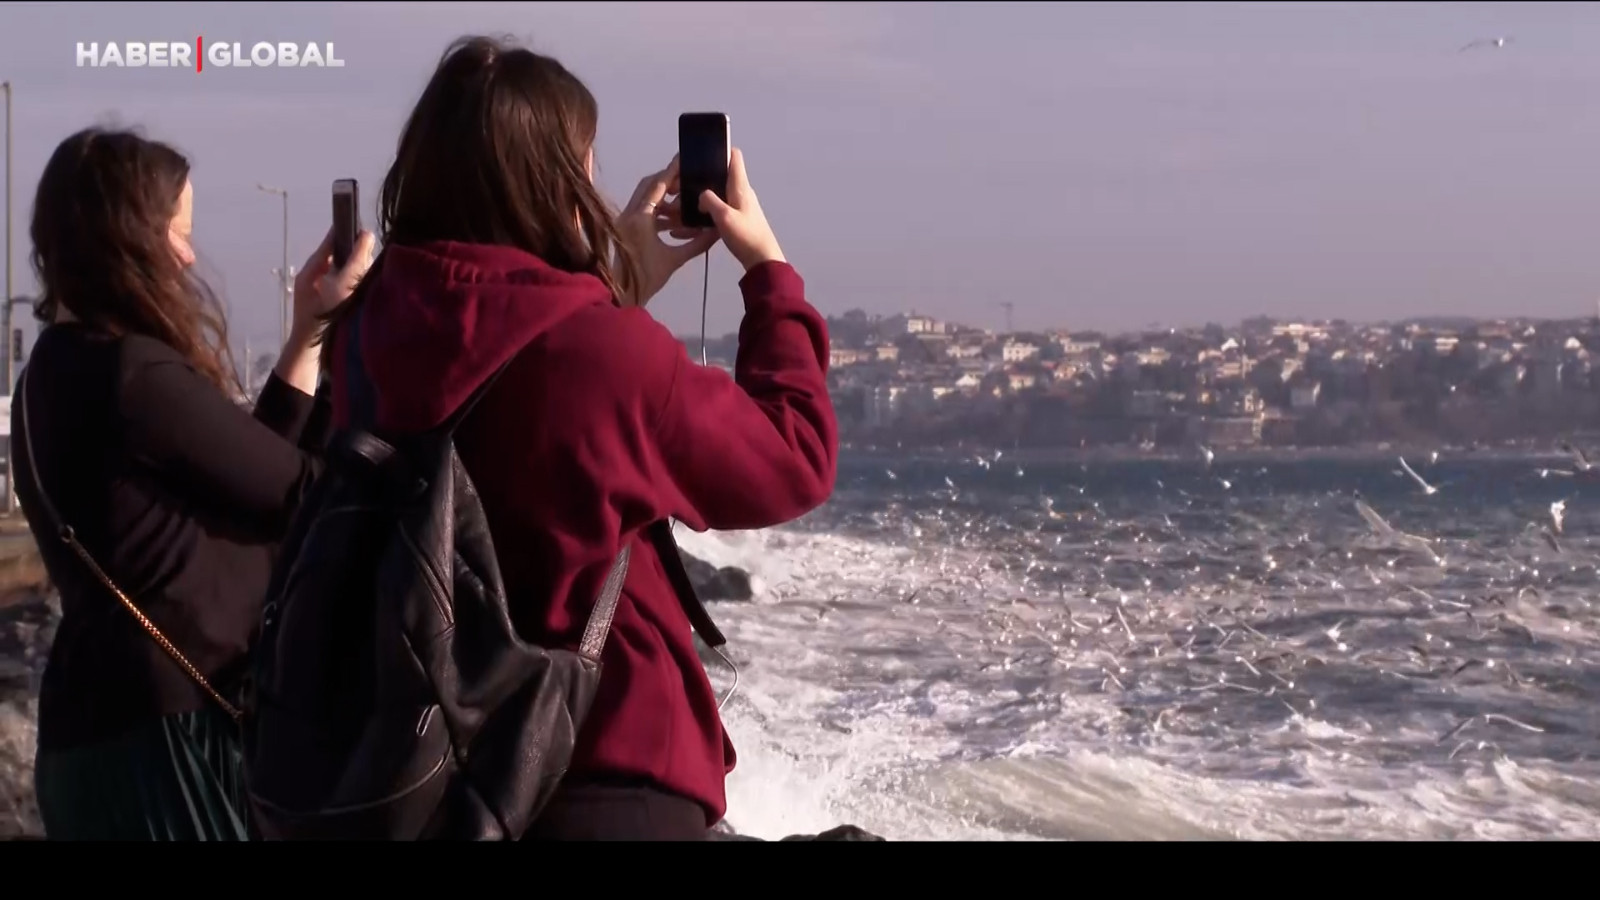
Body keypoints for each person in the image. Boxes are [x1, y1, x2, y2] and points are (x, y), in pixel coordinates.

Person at [317, 35, 838, 840]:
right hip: (601, 764)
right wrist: (768, 272)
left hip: (421, 774)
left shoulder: (359, 336)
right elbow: (794, 458)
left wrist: (608, 285)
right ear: (556, 181)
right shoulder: (606, 355)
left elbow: (488, 342)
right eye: (584, 162)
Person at [13, 126, 374, 840]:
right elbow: (303, 494)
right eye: (174, 233)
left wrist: (308, 335)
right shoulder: (132, 374)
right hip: (163, 745)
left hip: (95, 733)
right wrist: (356, 364)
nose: (186, 257)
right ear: (126, 239)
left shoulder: (52, 372)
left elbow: (247, 474)